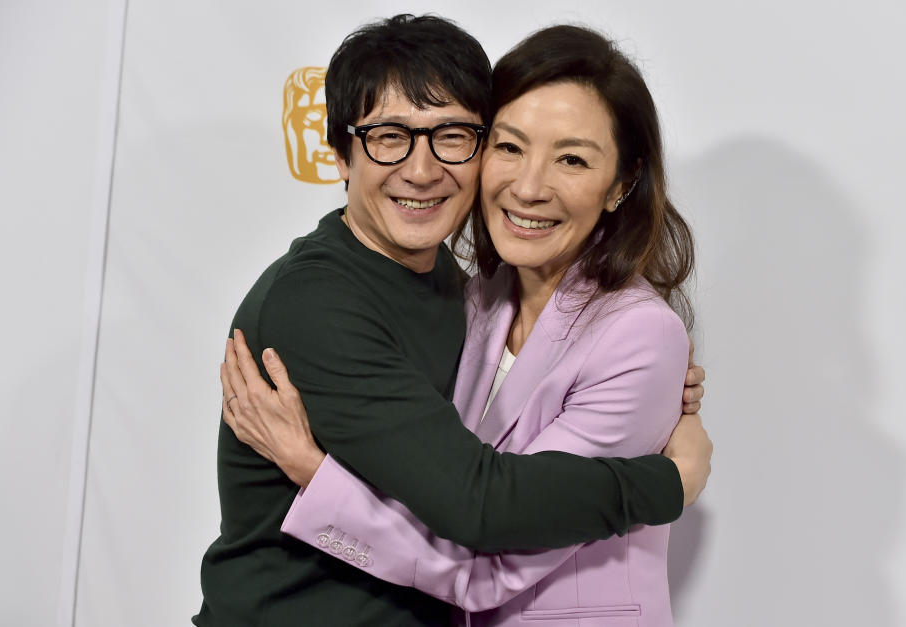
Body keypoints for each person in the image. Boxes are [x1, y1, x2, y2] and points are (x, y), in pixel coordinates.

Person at [199, 14, 710, 627]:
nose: (421, 170)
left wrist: (314, 469)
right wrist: (666, 483)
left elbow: (483, 532)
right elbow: (481, 509)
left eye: (451, 135)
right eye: (389, 136)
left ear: (620, 183)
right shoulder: (321, 304)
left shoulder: (460, 289)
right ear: (339, 153)